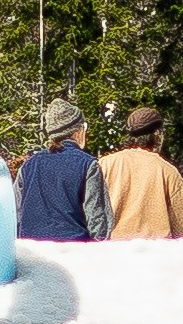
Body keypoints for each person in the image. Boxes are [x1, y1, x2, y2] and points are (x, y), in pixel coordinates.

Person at [98, 105, 183, 240]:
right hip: (154, 254)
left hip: (111, 251)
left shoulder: (104, 165)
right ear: (157, 134)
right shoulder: (167, 171)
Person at [16, 97, 114, 242]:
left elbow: (16, 212)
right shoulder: (88, 165)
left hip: (32, 251)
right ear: (77, 131)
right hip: (72, 249)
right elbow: (97, 219)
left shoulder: (28, 166)